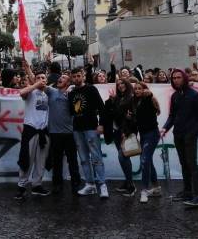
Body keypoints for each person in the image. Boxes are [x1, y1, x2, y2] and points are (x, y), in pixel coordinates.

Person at [161, 69, 198, 208]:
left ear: (184, 78)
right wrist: (165, 128)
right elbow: (172, 116)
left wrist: (193, 133)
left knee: (192, 164)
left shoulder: (195, 95)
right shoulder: (175, 96)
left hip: (190, 136)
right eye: (174, 78)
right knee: (183, 163)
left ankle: (197, 196)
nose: (176, 80)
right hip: (178, 134)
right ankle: (187, 191)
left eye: (179, 77)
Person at [69, 67, 109, 198]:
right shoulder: (71, 93)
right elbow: (71, 111)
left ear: (83, 76)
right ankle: (90, 184)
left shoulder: (91, 89)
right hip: (77, 129)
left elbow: (102, 107)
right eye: (74, 76)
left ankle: (102, 184)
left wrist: (101, 124)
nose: (76, 78)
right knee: (84, 158)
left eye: (78, 76)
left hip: (91, 127)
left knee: (96, 156)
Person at [15, 71, 51, 199]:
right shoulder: (31, 92)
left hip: (43, 131)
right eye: (38, 78)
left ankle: (37, 185)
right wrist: (35, 84)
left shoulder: (48, 94)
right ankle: (21, 186)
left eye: (43, 78)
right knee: (26, 159)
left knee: (41, 161)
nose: (41, 79)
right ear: (34, 80)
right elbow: (21, 93)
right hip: (31, 130)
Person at [46, 75, 81, 194]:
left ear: (68, 82)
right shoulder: (51, 91)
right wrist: (27, 69)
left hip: (69, 133)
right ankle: (57, 185)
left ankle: (75, 184)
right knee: (56, 161)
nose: (60, 79)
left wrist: (72, 94)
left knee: (72, 161)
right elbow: (38, 84)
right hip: (55, 133)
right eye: (60, 77)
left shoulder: (72, 94)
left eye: (64, 78)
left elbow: (78, 109)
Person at [103, 78, 136, 196]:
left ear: (127, 84)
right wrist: (112, 100)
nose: (120, 85)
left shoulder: (131, 97)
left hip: (126, 131)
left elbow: (133, 115)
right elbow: (115, 114)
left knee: (123, 157)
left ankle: (131, 186)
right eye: (118, 84)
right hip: (117, 131)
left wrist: (128, 119)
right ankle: (128, 182)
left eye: (122, 83)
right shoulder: (118, 98)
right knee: (124, 157)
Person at [131, 82, 162, 203]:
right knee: (147, 160)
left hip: (152, 134)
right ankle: (156, 187)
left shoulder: (148, 99)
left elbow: (149, 97)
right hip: (143, 135)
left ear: (144, 90)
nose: (137, 90)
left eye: (140, 89)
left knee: (144, 160)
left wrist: (148, 93)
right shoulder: (135, 102)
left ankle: (144, 190)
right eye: (135, 89)